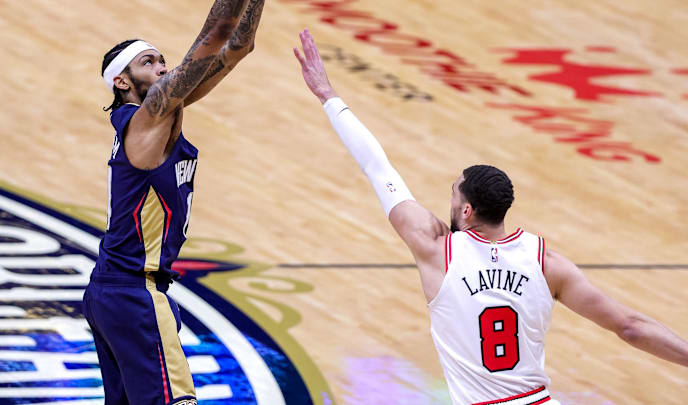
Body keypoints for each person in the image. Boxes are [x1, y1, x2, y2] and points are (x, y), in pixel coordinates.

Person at [293, 29, 688, 405]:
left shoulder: (436, 249)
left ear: (466, 210)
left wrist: (329, 96)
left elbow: (379, 169)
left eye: (453, 193)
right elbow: (631, 327)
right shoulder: (547, 263)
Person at [82, 1, 265, 404]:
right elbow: (216, 33)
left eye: (164, 61)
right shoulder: (145, 121)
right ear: (122, 82)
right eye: (149, 62)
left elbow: (238, 46)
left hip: (115, 289)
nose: (163, 68)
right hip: (134, 291)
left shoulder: (162, 116)